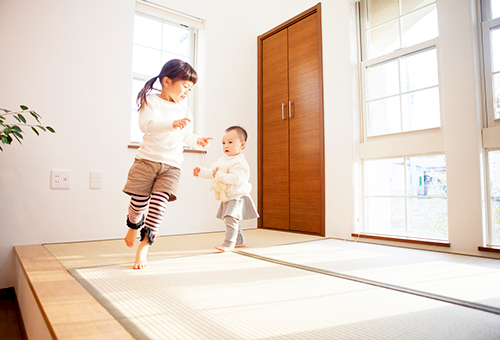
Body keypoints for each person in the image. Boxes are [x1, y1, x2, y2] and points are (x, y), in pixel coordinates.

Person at [123, 59, 212, 269]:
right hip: (146, 161)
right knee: (139, 202)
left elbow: (186, 135)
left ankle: (145, 246)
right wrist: (172, 124)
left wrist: (196, 139)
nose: (186, 92)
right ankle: (133, 223)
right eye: (185, 86)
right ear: (167, 81)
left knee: (159, 205)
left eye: (190, 89)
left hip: (172, 165)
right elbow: (148, 126)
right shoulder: (151, 101)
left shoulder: (185, 111)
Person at [193, 126, 259, 252]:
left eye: (230, 142)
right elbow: (214, 172)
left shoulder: (239, 162)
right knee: (231, 218)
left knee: (230, 218)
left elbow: (236, 178)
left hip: (238, 196)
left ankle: (229, 243)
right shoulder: (223, 159)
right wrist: (201, 172)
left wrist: (219, 175)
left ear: (242, 144)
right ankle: (239, 240)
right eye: (223, 143)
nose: (226, 146)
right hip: (228, 196)